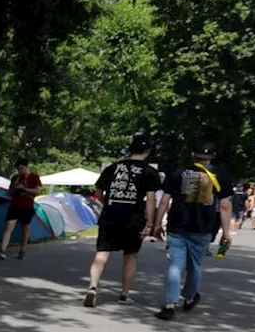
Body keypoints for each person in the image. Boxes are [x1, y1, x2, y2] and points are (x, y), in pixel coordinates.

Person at [153, 144, 234, 321]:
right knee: (195, 265)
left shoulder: (178, 172)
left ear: (192, 155)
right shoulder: (220, 174)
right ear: (213, 156)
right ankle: (189, 298)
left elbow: (165, 201)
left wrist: (157, 224)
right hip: (203, 227)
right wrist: (226, 232)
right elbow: (225, 205)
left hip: (177, 226)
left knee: (175, 265)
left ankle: (169, 305)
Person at [83, 133, 161, 307]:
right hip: (134, 218)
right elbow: (150, 199)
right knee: (130, 256)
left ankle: (92, 287)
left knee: (102, 253)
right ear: (148, 150)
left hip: (110, 215)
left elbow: (98, 192)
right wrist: (150, 223)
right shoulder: (149, 172)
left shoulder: (113, 167)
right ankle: (124, 295)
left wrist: (108, 204)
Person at [0, 159, 42, 260]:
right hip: (14, 206)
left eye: (21, 168)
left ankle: (22, 250)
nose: (20, 171)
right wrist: (13, 189)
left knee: (25, 228)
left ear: (26, 167)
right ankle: (2, 250)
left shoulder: (34, 177)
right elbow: (10, 192)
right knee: (8, 226)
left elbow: (37, 191)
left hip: (27, 206)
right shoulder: (15, 178)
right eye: (18, 169)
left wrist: (24, 188)